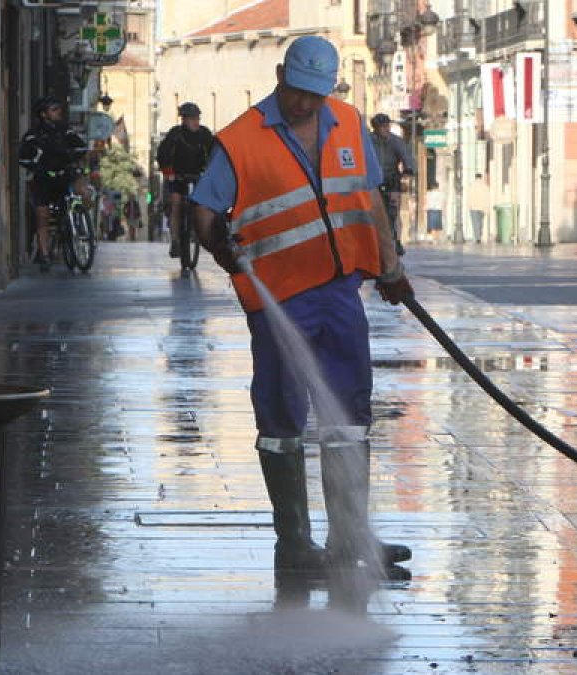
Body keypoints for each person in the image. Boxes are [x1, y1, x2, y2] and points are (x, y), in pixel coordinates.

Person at [191, 35, 414, 572]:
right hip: (279, 301)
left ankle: (350, 541)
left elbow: (370, 200)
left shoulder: (349, 121)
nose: (305, 105)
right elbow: (203, 216)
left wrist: (390, 267)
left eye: (315, 95)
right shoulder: (239, 140)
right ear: (279, 77)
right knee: (282, 416)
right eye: (297, 93)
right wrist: (230, 262)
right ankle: (294, 545)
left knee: (348, 415)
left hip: (339, 291)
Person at [18, 95, 89, 272]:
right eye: (54, 109)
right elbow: (23, 157)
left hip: (65, 174)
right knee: (42, 215)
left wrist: (73, 156)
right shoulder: (32, 136)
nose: (59, 112)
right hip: (44, 178)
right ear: (43, 114)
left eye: (59, 108)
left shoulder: (65, 130)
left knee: (83, 193)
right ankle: (45, 253)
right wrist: (36, 167)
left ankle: (81, 221)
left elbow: (81, 146)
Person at [155, 102, 214, 257]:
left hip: (198, 175)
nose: (196, 122)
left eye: (197, 118)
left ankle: (202, 233)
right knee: (176, 203)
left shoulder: (204, 134)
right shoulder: (175, 134)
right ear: (184, 120)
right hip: (177, 175)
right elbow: (163, 153)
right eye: (192, 118)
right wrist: (168, 172)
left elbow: (214, 153)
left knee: (203, 204)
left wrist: (211, 172)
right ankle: (175, 241)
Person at [369, 113, 415, 255]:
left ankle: (397, 240)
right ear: (375, 128)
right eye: (383, 127)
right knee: (373, 211)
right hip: (374, 179)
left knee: (394, 211)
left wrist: (408, 169)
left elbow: (406, 155)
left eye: (387, 126)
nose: (386, 129)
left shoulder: (395, 141)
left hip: (392, 178)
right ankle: (375, 241)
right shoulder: (368, 141)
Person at [468, 173, 490, 244]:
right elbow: (487, 198)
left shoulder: (471, 186)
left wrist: (469, 205)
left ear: (475, 177)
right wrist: (487, 207)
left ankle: (477, 237)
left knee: (475, 223)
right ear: (481, 178)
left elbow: (469, 196)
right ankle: (479, 236)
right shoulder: (485, 186)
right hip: (482, 207)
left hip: (473, 207)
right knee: (480, 223)